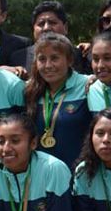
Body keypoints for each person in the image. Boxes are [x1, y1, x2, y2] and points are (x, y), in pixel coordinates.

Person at [24, 33, 91, 170]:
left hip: (78, 174)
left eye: (54, 58)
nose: (48, 65)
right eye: (42, 59)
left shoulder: (88, 86)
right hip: (41, 175)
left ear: (70, 60)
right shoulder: (30, 89)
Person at [10, 1, 89, 75]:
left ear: (65, 28)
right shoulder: (19, 57)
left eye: (52, 23)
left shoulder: (80, 55)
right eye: (41, 24)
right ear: (33, 29)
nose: (46, 28)